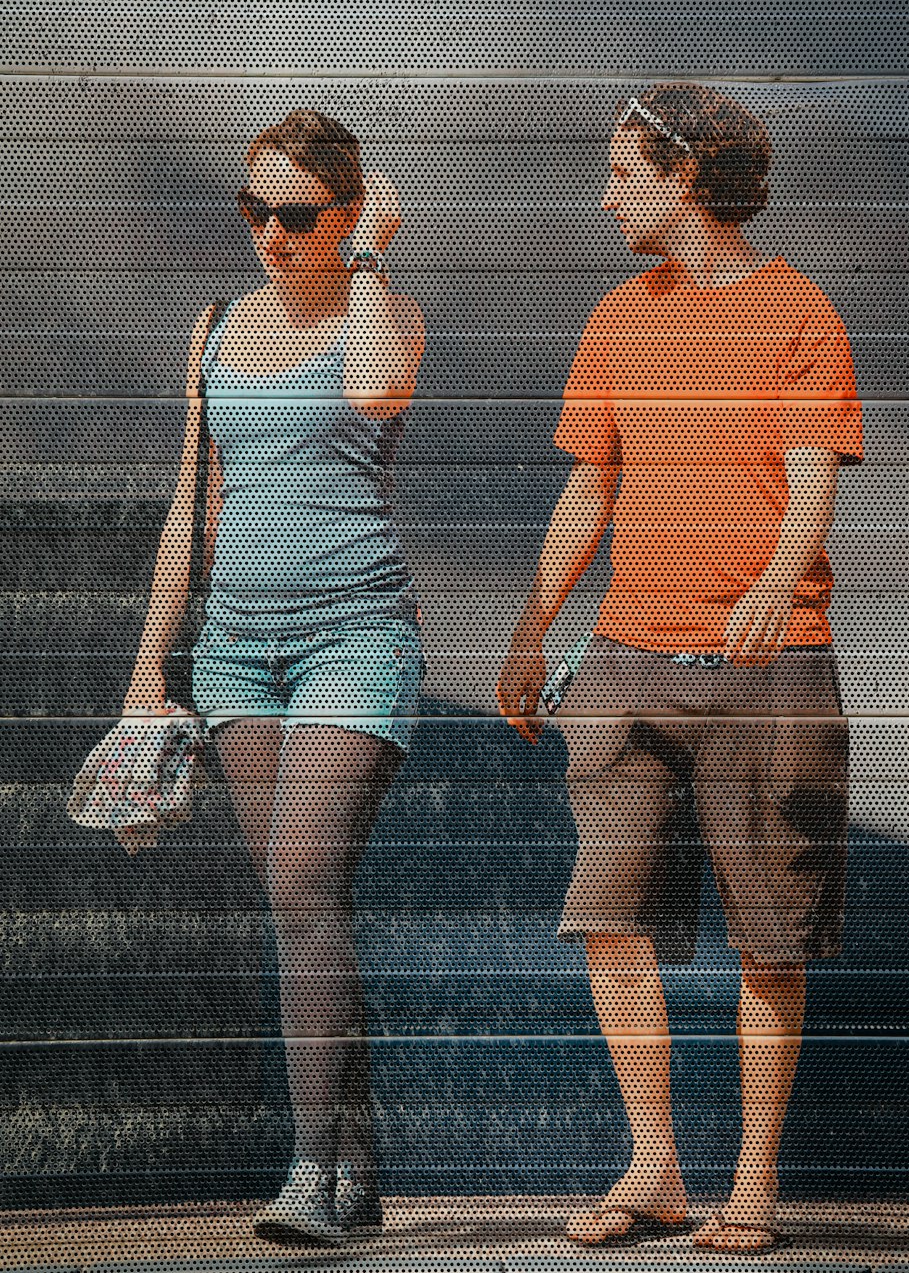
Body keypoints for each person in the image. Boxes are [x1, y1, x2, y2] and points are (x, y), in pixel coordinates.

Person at [497, 82, 863, 1254]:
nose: (604, 195)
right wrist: (530, 624)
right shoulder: (616, 316)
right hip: (623, 664)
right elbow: (588, 486)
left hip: (770, 668)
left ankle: (751, 1182)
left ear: (687, 177)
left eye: (622, 171)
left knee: (771, 931)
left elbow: (813, 474)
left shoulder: (799, 309)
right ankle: (653, 1165)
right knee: (610, 916)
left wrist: (774, 578)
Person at [124, 108, 426, 1247]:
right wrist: (153, 663)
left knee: (302, 882)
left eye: (298, 214)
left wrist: (369, 261)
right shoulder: (213, 326)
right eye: (254, 210)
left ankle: (310, 1169)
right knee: (302, 907)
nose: (271, 234)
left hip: (355, 632)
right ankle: (353, 1158)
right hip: (237, 644)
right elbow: (188, 507)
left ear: (348, 216)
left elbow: (383, 393)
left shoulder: (378, 313)